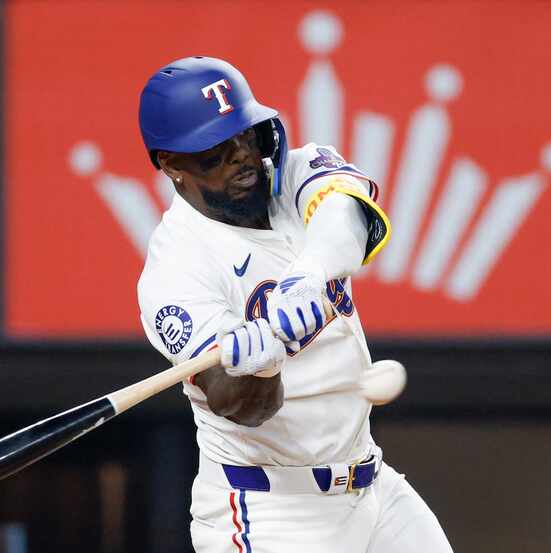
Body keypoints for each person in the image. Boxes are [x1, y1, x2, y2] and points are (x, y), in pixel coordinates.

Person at [137, 56, 453, 553]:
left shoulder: (298, 170)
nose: (241, 155)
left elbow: (344, 220)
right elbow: (241, 406)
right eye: (214, 151)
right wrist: (259, 363)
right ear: (171, 164)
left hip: (373, 484)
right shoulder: (174, 271)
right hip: (270, 511)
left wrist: (309, 275)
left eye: (246, 134)